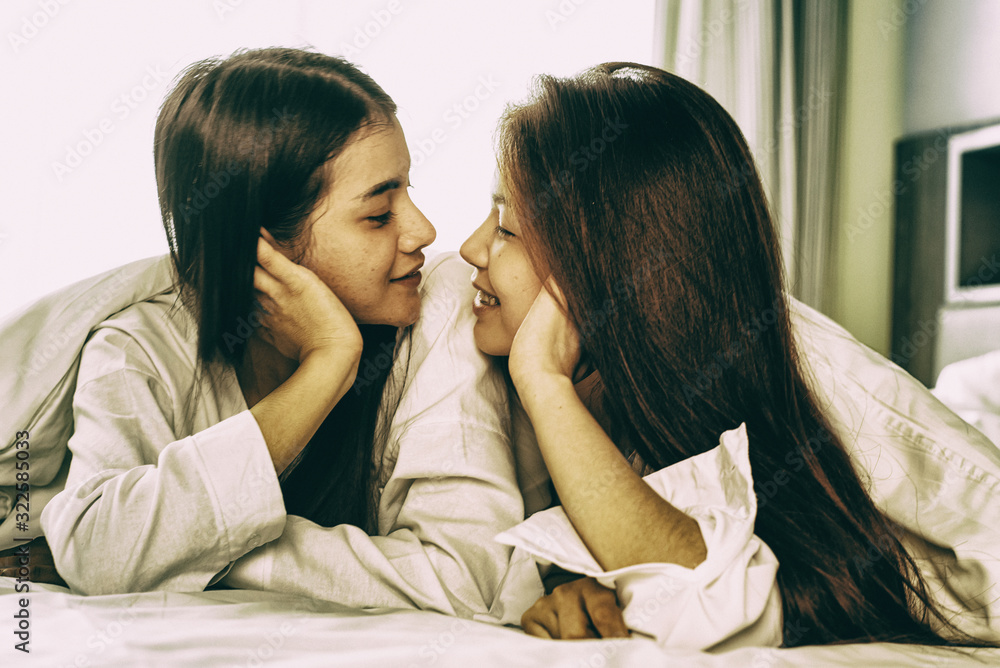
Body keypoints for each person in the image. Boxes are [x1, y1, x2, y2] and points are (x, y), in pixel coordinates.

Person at [460, 62, 1000, 648]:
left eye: (506, 228)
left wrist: (542, 380)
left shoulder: (803, 374)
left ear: (604, 261)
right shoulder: (626, 376)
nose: (470, 248)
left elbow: (716, 593)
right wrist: (585, 584)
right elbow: (688, 552)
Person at [0, 48, 540, 622]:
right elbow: (102, 552)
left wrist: (191, 552)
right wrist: (327, 365)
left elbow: (464, 577)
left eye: (408, 191)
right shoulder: (139, 348)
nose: (424, 230)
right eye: (379, 215)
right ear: (263, 248)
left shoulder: (440, 302)